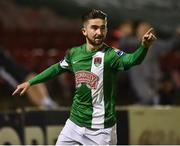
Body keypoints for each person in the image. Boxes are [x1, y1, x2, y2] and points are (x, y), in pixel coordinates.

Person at [12, 9, 156, 145]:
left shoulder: (111, 55)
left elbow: (132, 60)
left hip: (101, 129)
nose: (99, 32)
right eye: (94, 28)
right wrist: (30, 82)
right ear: (84, 31)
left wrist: (144, 47)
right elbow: (56, 68)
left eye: (103, 28)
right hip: (74, 124)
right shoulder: (74, 53)